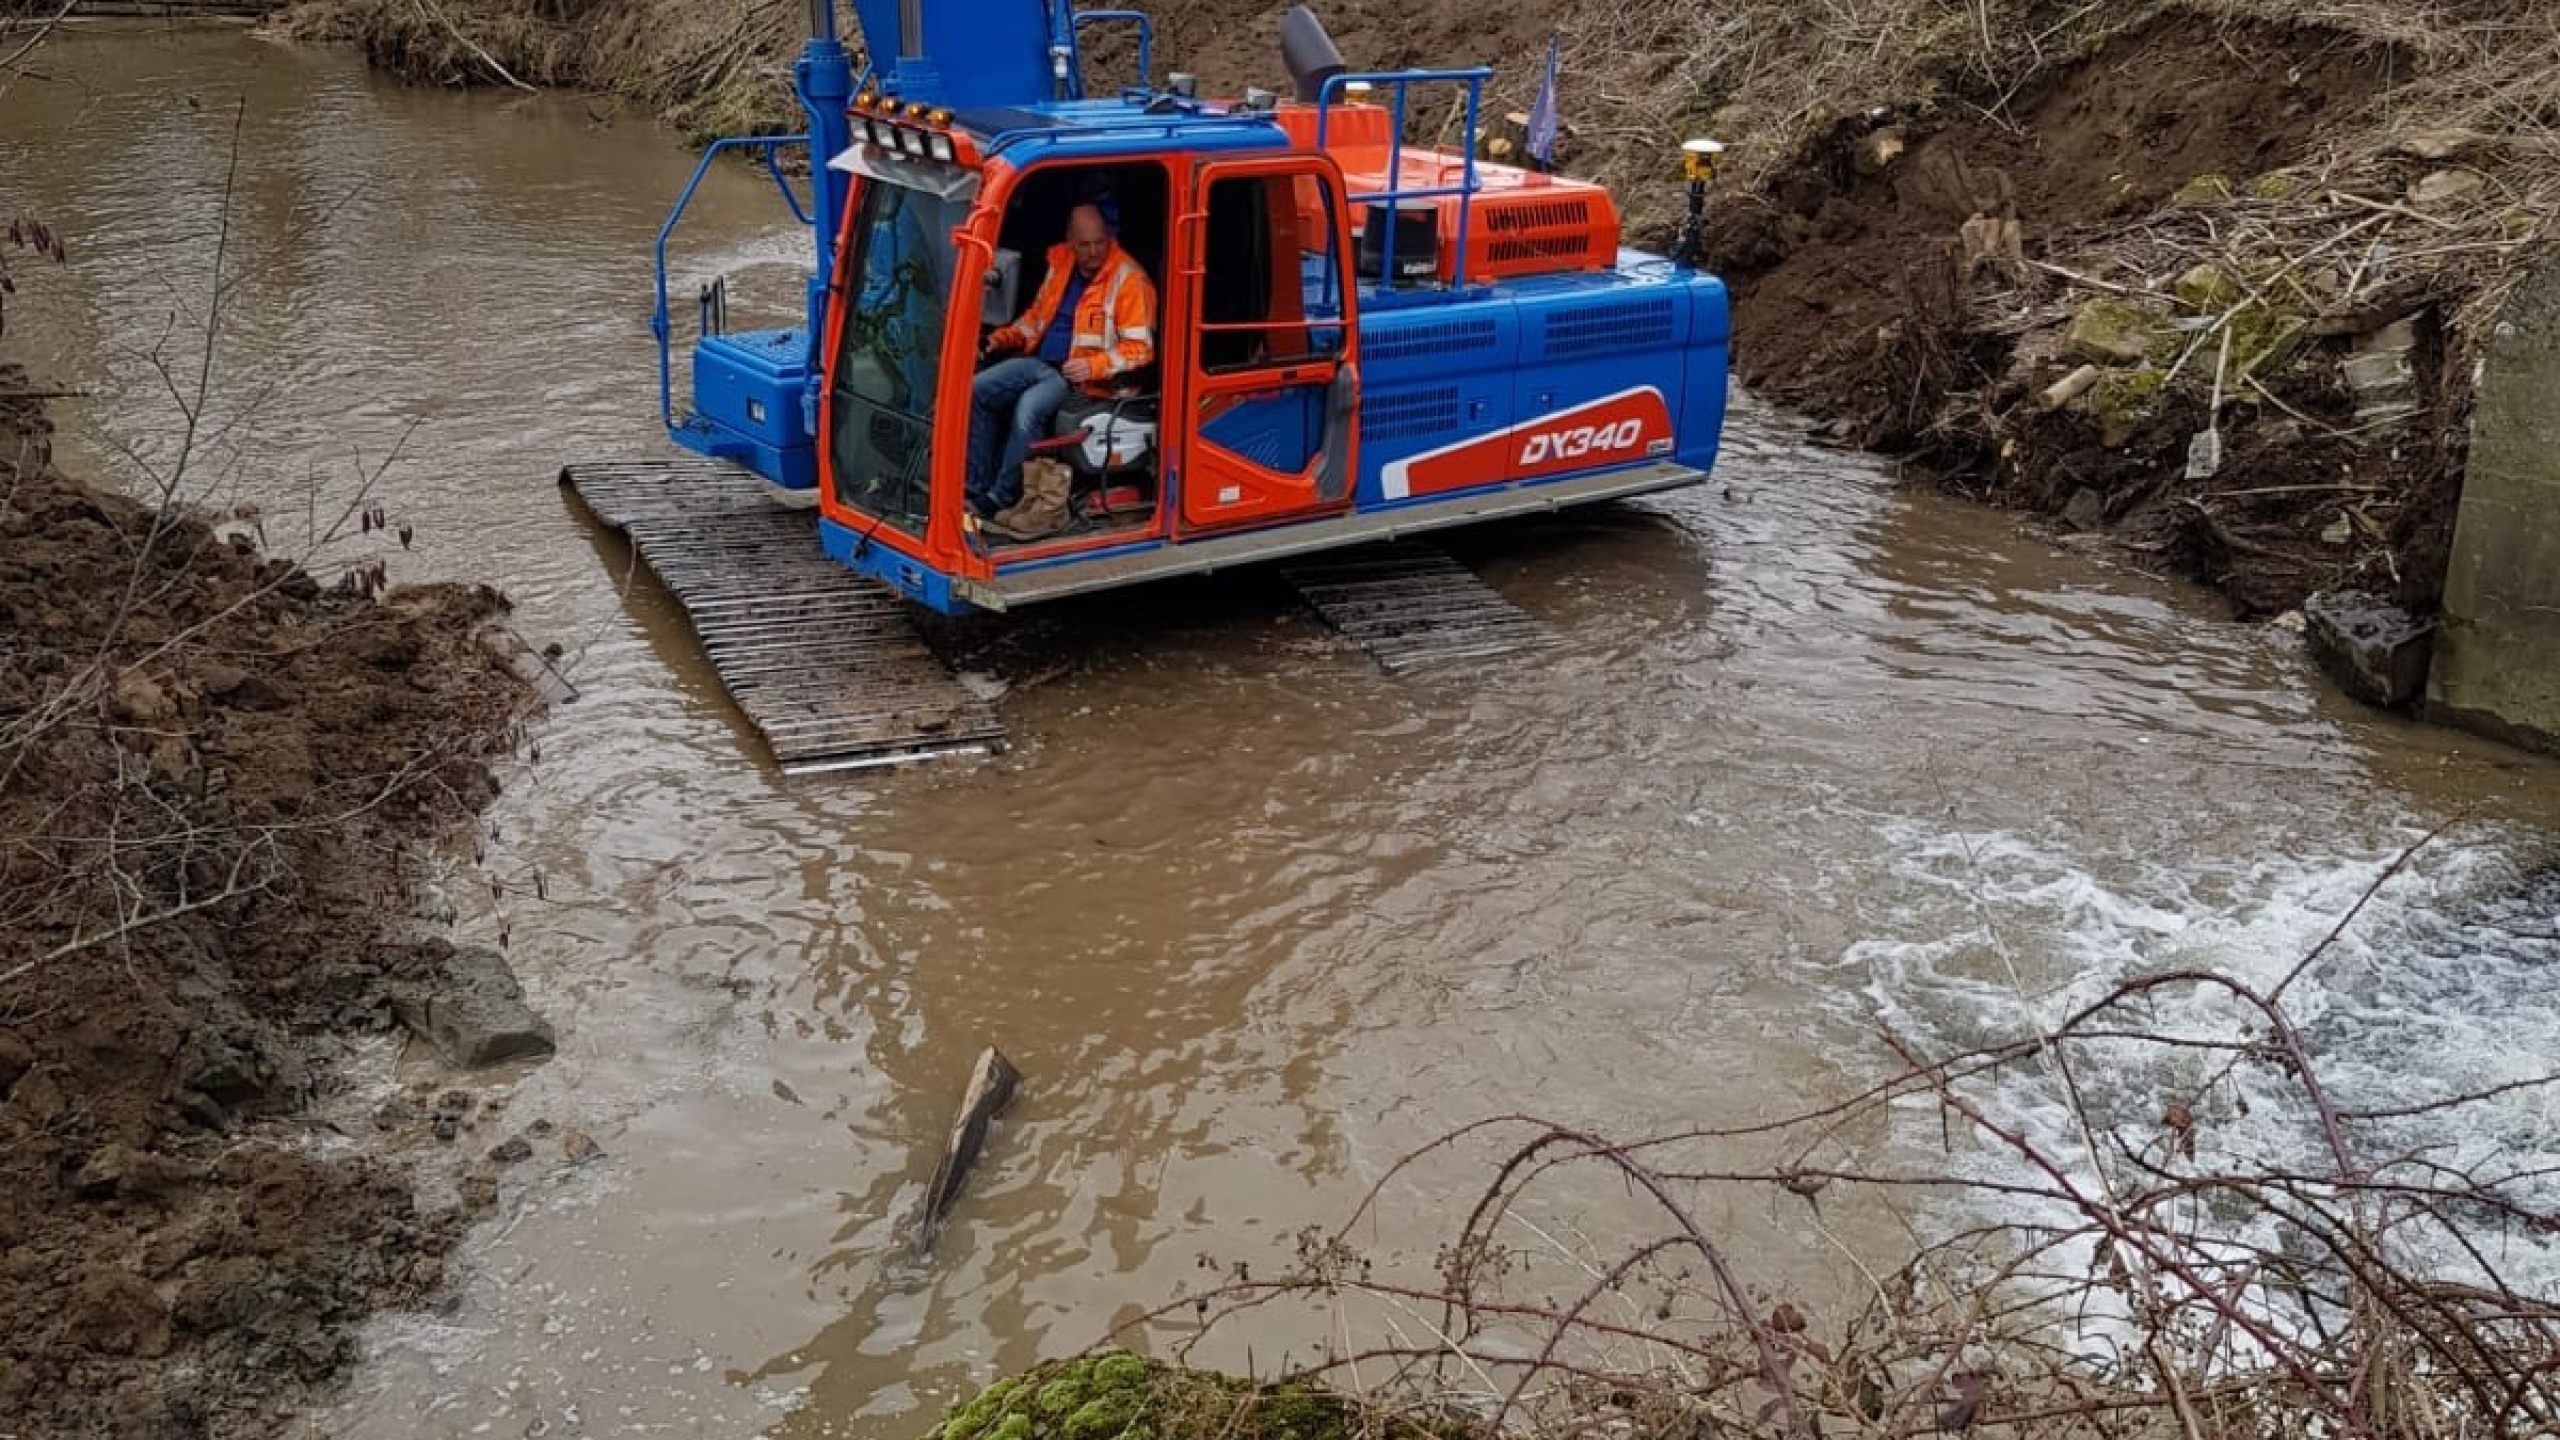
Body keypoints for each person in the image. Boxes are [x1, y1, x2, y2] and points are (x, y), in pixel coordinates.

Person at [966, 202, 1156, 522]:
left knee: (1029, 409)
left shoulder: (1130, 280)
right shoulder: (1061, 263)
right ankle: (974, 487)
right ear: (1070, 240)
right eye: (1084, 244)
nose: (1094, 251)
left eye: (1100, 242)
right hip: (1040, 363)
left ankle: (1000, 497)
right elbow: (1035, 320)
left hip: (1083, 382)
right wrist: (999, 339)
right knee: (975, 389)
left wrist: (1093, 366)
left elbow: (1141, 348)